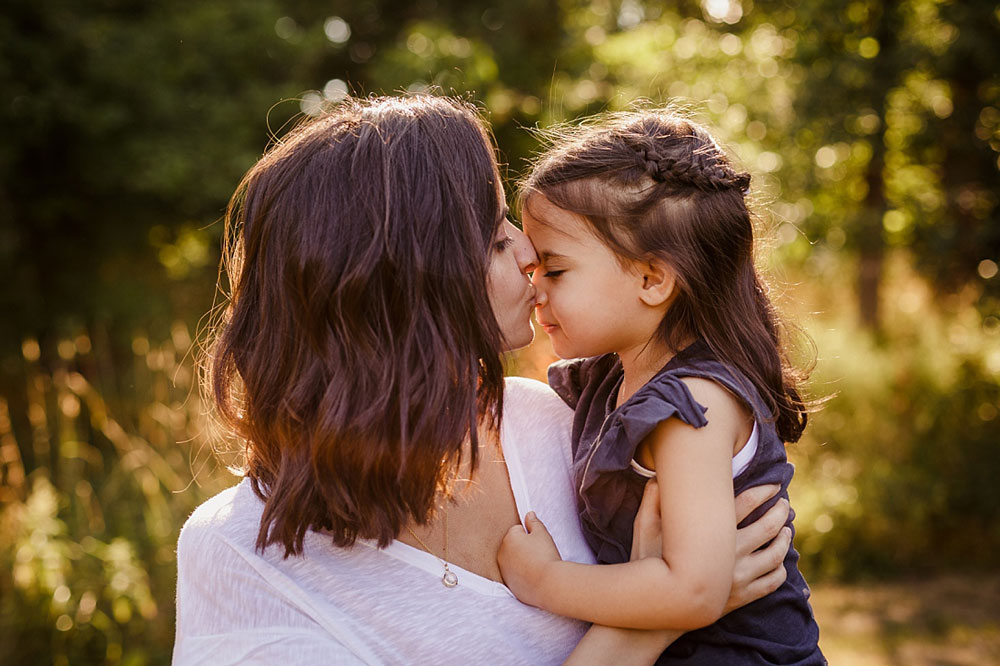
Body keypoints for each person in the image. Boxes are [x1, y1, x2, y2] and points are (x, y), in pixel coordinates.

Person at [172, 95, 794, 666]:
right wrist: (648, 627)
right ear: (406, 280)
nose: (530, 254)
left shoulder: (559, 426)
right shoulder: (241, 555)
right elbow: (691, 589)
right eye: (496, 238)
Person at [497, 110, 825, 664]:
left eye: (555, 270)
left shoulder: (692, 405)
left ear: (652, 279)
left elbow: (693, 590)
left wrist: (546, 580)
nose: (537, 290)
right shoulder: (610, 379)